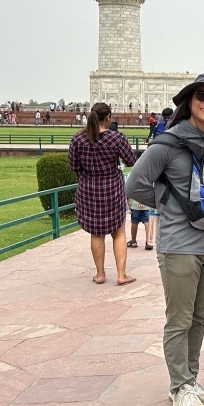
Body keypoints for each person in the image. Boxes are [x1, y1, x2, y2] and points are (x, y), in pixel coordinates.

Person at [126, 72, 204, 406]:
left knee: (199, 318)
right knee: (179, 319)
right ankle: (179, 386)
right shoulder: (169, 143)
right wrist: (170, 204)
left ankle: (189, 379)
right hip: (179, 244)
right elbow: (135, 185)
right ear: (190, 101)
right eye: (202, 96)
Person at [68, 102, 138, 286]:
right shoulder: (116, 138)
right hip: (111, 188)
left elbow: (73, 166)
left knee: (96, 233)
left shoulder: (78, 139)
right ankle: (121, 274)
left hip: (88, 189)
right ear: (108, 118)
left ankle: (100, 274)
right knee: (119, 232)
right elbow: (131, 160)